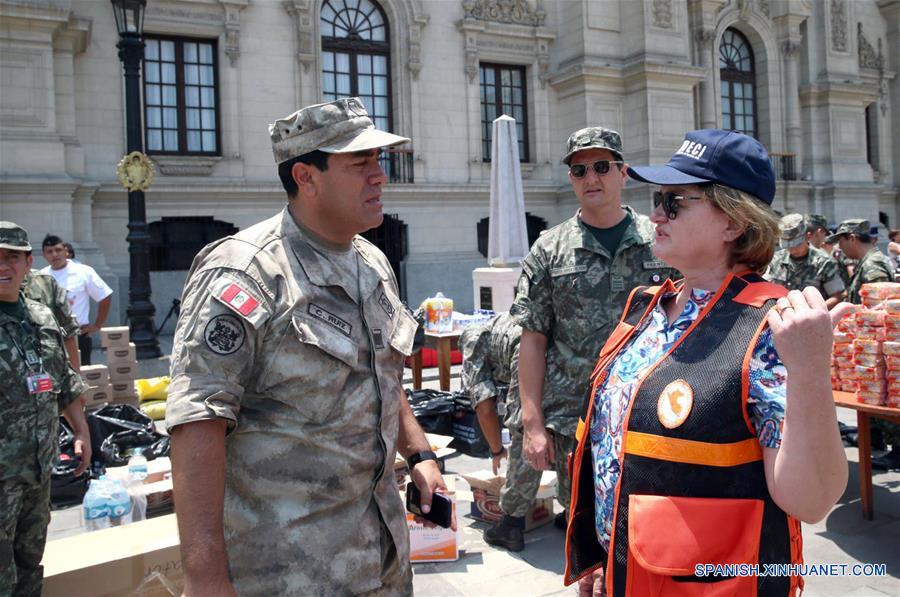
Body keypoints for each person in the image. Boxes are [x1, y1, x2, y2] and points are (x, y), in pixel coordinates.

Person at [165, 97, 451, 596]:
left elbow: (380, 371)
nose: (379, 176)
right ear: (306, 176)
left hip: (382, 560)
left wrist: (420, 451)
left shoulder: (373, 263)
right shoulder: (246, 273)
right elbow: (197, 421)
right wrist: (204, 576)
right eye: (360, 164)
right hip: (289, 571)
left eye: (379, 161)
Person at [564, 130, 850, 597]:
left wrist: (811, 371)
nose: (656, 213)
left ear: (733, 222)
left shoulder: (771, 328)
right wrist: (600, 552)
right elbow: (613, 446)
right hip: (626, 575)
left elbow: (812, 500)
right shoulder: (646, 307)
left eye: (675, 201)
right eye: (658, 198)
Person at [506, 127, 678, 549]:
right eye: (579, 169)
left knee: (645, 529)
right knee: (585, 528)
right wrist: (532, 424)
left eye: (602, 166)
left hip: (648, 413)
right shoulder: (549, 250)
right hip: (573, 417)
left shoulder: (661, 240)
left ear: (623, 173)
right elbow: (532, 339)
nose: (591, 178)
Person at [0, 221, 91, 597]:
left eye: (11, 258)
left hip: (38, 470)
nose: (4, 267)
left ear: (27, 263)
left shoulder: (41, 316)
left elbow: (63, 380)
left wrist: (82, 431)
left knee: (29, 563)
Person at [460, 311, 557, 551]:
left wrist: (496, 450)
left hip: (526, 351)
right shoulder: (498, 325)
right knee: (560, 424)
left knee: (526, 430)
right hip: (556, 345)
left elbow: (484, 407)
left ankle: (511, 524)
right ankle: (572, 512)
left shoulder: (472, 342)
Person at [40, 235, 113, 365]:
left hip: (78, 335)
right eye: (49, 252)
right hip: (51, 338)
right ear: (44, 255)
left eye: (58, 250)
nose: (54, 254)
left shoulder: (83, 272)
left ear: (66, 251)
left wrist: (97, 325)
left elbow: (105, 296)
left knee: (81, 378)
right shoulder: (41, 276)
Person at [765, 213, 844, 307]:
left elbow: (837, 296)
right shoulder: (776, 260)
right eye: (788, 246)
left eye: (797, 244)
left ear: (808, 236)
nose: (792, 249)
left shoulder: (824, 263)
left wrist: (815, 311)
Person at [22, 269, 82, 371]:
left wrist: (76, 376)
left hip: (49, 376)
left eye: (12, 256)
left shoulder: (45, 283)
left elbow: (68, 332)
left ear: (28, 261)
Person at [826, 219, 895, 304]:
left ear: (852, 238)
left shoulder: (871, 265)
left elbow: (879, 307)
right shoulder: (866, 262)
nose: (840, 247)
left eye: (840, 241)